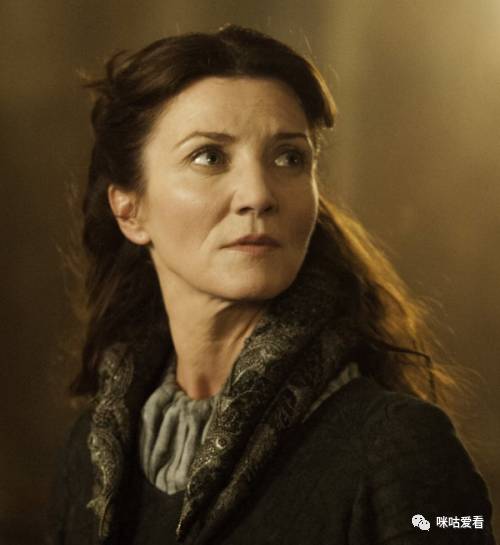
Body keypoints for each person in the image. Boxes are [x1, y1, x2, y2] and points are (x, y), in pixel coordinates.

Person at [47, 24, 495, 545]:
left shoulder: (397, 445)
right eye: (209, 157)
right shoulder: (90, 457)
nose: (258, 193)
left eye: (289, 158)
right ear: (130, 209)